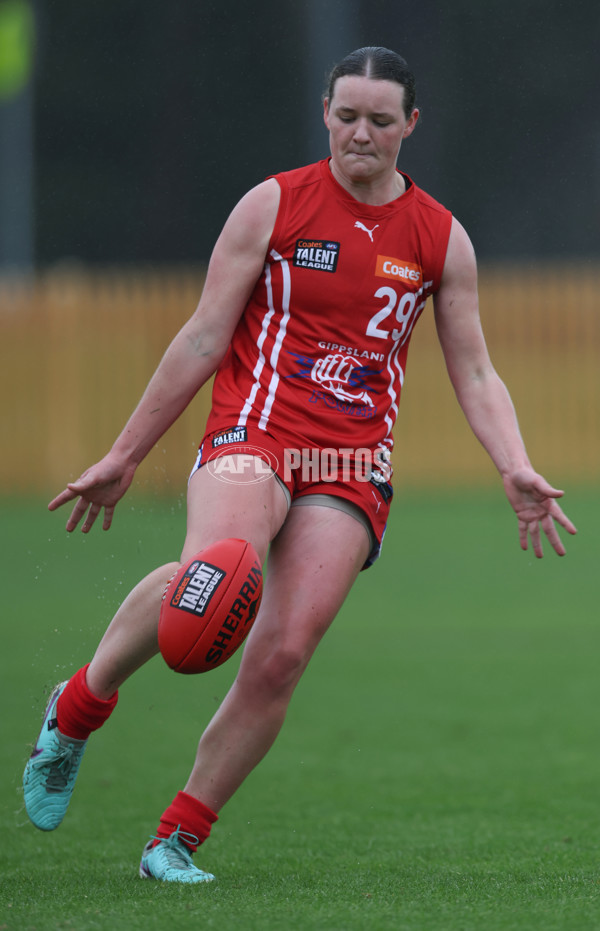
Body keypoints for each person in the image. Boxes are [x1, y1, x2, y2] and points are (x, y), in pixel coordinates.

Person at [23, 47, 577, 884]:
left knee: (281, 653)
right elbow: (205, 334)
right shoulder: (273, 204)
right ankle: (74, 712)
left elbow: (473, 368)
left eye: (381, 120)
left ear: (410, 126)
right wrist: (124, 453)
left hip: (352, 460)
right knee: (217, 580)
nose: (362, 133)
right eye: (347, 115)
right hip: (256, 429)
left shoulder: (440, 236)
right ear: (325, 112)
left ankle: (174, 840)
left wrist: (515, 463)